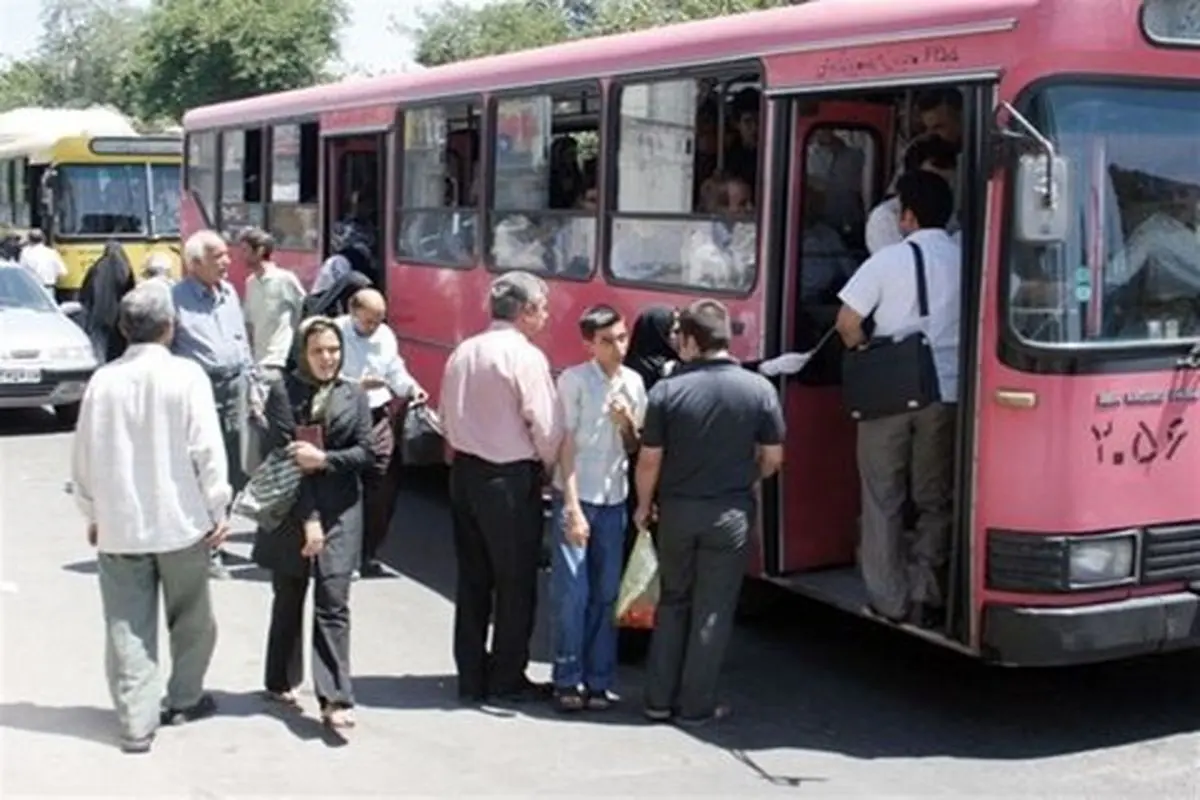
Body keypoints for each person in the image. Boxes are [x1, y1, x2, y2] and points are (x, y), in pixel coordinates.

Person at [71, 281, 230, 754]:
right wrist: (216, 508)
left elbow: (83, 457)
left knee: (127, 626)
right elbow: (208, 451)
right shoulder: (187, 376)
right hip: (181, 524)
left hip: (120, 526)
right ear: (170, 327)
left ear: (122, 328)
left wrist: (92, 510)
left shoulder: (103, 381)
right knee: (193, 620)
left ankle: (136, 722)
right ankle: (184, 698)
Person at [635, 299, 785, 726]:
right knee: (713, 609)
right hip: (730, 512)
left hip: (678, 510)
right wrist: (747, 479)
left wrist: (644, 505)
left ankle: (657, 700)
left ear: (692, 341)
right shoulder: (759, 389)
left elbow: (649, 460)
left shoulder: (667, 391)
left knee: (673, 602)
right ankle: (696, 706)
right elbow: (774, 457)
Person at [835, 170, 962, 629]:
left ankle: (888, 600)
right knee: (934, 497)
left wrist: (867, 351)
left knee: (882, 497)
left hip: (890, 395)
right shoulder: (967, 257)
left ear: (907, 216)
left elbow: (848, 323)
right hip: (946, 394)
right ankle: (926, 588)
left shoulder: (888, 260)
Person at [439, 271, 562, 704]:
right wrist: (550, 468)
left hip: (464, 473)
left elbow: (446, 416)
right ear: (526, 311)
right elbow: (545, 427)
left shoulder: (464, 351)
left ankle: (471, 675)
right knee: (515, 582)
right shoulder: (525, 357)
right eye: (542, 308)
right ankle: (507, 675)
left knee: (473, 579)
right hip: (508, 478)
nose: (545, 316)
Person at [251, 317, 375, 730]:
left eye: (334, 351)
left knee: (333, 599)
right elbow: (285, 461)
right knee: (289, 594)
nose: (328, 359)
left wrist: (326, 460)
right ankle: (280, 677)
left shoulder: (353, 394)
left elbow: (364, 452)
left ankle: (335, 697)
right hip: (294, 510)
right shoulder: (285, 393)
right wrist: (309, 521)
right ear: (303, 353)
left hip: (342, 510)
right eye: (319, 351)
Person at [550, 305, 646, 712]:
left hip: (614, 497)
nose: (618, 347)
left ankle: (599, 677)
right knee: (574, 591)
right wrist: (571, 507)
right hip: (579, 494)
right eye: (608, 341)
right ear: (590, 344)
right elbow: (566, 446)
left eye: (622, 338)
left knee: (606, 593)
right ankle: (567, 676)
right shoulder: (574, 381)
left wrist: (626, 424)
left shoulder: (635, 382)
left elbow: (636, 446)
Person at [171, 229, 253, 580]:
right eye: (218, 256)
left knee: (233, 467)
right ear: (195, 263)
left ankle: (216, 533)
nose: (227, 262)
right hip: (199, 390)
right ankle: (207, 547)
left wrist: (254, 386)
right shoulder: (174, 299)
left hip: (234, 388)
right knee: (204, 467)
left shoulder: (230, 293)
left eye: (226, 255)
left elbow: (241, 342)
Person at [335, 288, 426, 578]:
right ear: (353, 313)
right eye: (368, 321)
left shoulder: (385, 336)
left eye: (378, 320)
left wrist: (412, 388)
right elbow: (323, 373)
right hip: (345, 414)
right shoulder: (334, 333)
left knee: (383, 483)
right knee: (347, 486)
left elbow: (395, 370)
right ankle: (344, 554)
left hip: (377, 414)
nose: (374, 327)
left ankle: (368, 551)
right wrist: (357, 384)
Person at [865, 135, 960, 255]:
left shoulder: (950, 212)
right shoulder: (885, 218)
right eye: (929, 182)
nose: (938, 191)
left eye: (945, 184)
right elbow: (896, 263)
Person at [241, 228, 305, 378]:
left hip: (279, 360)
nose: (241, 255)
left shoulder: (285, 279)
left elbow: (304, 311)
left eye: (245, 250)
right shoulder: (250, 282)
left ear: (260, 250)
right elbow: (249, 322)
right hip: (258, 362)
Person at [79, 240, 136, 363]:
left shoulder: (97, 267)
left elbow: (85, 292)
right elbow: (131, 291)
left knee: (99, 346)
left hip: (99, 314)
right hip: (119, 316)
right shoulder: (126, 269)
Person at [19, 228, 66, 294]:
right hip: (48, 289)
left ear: (29, 240)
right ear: (43, 240)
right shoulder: (52, 253)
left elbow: (21, 271)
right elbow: (62, 272)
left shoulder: (25, 252)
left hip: (31, 289)